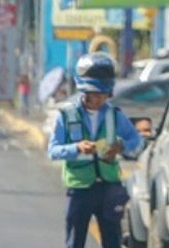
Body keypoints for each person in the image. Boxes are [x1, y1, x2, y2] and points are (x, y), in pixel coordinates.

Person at [47, 52, 142, 248]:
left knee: (112, 241)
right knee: (75, 241)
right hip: (80, 189)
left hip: (109, 187)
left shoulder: (115, 115)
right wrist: (77, 148)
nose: (99, 99)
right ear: (84, 90)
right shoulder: (66, 115)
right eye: (95, 94)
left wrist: (122, 146)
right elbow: (53, 151)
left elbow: (136, 139)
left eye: (104, 94)